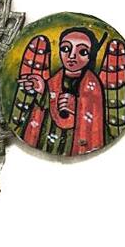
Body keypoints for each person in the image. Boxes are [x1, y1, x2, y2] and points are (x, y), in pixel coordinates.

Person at [15, 26, 107, 156]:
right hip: (49, 144)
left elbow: (93, 119)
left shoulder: (92, 85)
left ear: (90, 56)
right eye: (65, 49)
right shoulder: (54, 81)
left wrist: (78, 107)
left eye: (82, 52)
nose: (72, 56)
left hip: (76, 146)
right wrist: (42, 90)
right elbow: (43, 112)